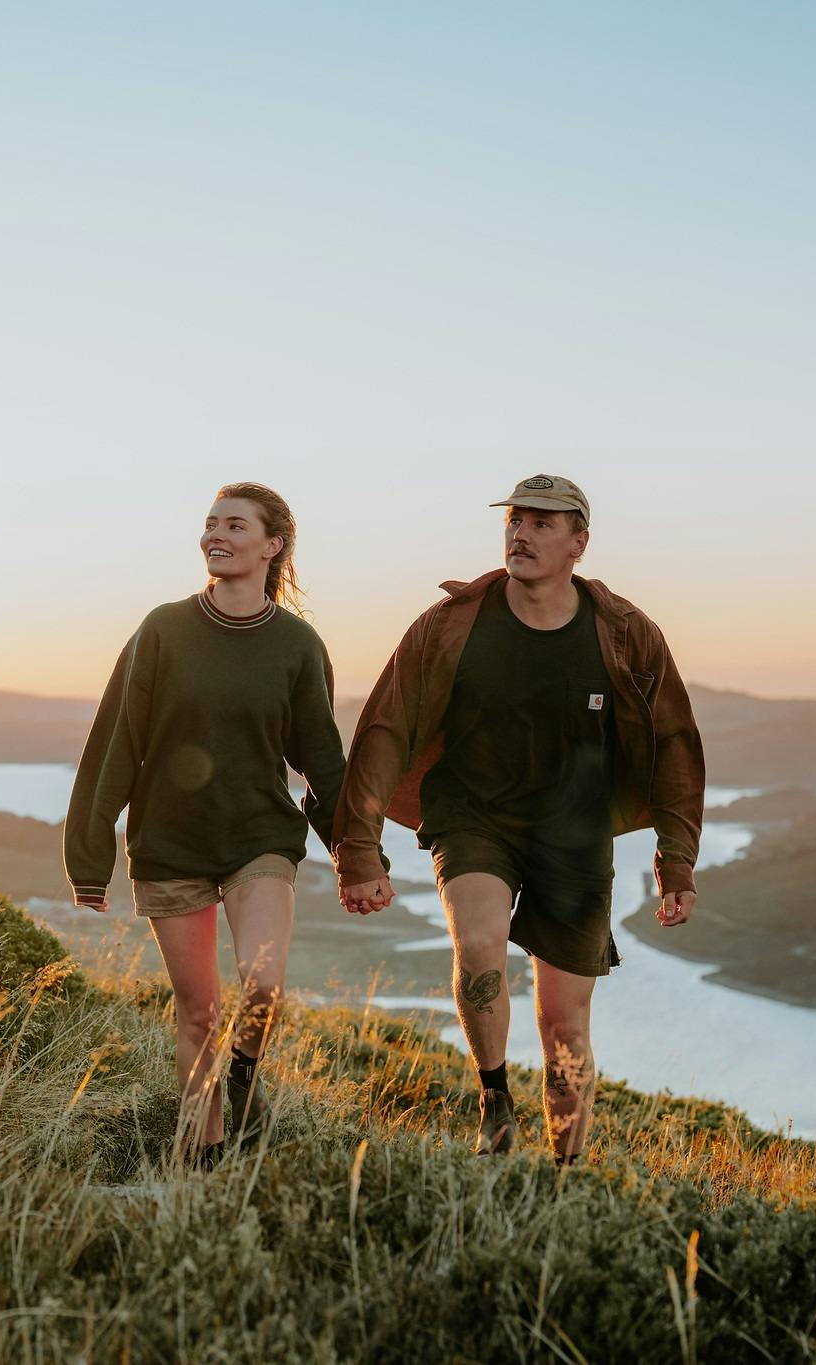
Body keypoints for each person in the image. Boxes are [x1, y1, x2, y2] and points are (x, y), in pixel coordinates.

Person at [331, 474, 705, 1164]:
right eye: (514, 520)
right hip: (474, 816)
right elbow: (384, 727)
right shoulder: (450, 624)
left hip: (574, 834)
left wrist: (674, 857)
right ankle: (494, 1096)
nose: (520, 533)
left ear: (578, 543)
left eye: (541, 522)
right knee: (478, 944)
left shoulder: (624, 633)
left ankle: (564, 1171)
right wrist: (357, 848)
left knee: (564, 1022)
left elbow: (675, 741)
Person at [64, 482, 353, 1167]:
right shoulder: (162, 629)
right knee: (196, 1013)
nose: (214, 534)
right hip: (170, 845)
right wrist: (89, 853)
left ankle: (245, 1076)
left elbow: (320, 758)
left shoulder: (296, 645)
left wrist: (354, 852)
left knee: (262, 983)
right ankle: (205, 1153)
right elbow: (115, 740)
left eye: (233, 523)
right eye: (209, 523)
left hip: (258, 837)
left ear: (272, 544)